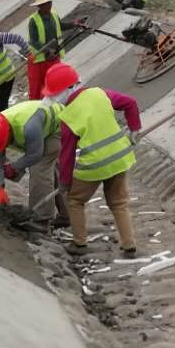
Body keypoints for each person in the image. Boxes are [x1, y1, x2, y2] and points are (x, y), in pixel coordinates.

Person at [46, 62, 142, 257]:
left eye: (55, 94)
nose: (55, 98)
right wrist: (134, 129)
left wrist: (64, 183)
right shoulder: (100, 93)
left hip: (94, 165)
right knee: (118, 203)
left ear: (68, 89)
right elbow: (130, 102)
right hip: (119, 158)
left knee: (74, 200)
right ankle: (128, 244)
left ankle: (79, 244)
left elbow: (67, 154)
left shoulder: (68, 116)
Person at [0, 99, 65, 227]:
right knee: (51, 171)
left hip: (60, 124)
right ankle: (66, 216)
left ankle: (41, 220)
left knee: (39, 168)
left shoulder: (29, 127)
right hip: (41, 126)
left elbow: (35, 155)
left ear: (8, 133)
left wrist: (14, 166)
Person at [26, 0, 66, 101]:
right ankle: (33, 108)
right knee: (36, 89)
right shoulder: (33, 20)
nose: (48, 6)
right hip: (39, 60)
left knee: (56, 84)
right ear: (39, 6)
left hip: (54, 57)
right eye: (44, 4)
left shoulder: (54, 15)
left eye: (49, 3)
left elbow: (61, 26)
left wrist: (75, 23)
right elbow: (33, 41)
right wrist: (47, 50)